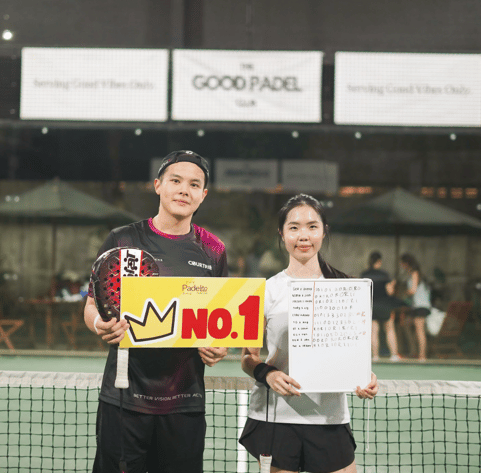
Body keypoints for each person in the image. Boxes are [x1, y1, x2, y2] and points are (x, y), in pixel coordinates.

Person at [83, 150, 229, 473]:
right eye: (175, 181)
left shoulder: (214, 250)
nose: (184, 190)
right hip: (125, 399)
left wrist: (219, 346)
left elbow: (218, 319)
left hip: (185, 402)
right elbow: (92, 305)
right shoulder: (123, 239)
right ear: (158, 185)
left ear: (203, 195)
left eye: (194, 185)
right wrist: (98, 324)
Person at [239, 194, 378, 473]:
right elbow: (247, 357)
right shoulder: (265, 291)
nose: (303, 236)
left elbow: (352, 352)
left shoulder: (347, 288)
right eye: (294, 227)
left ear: (324, 231)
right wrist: (268, 374)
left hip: (329, 417)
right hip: (277, 417)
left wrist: (365, 377)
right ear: (282, 234)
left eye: (312, 226)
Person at [361, 251, 405, 362]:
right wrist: (392, 284)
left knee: (373, 331)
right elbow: (390, 292)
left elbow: (362, 292)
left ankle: (375, 356)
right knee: (389, 329)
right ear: (379, 261)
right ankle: (394, 355)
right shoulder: (384, 275)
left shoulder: (364, 275)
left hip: (372, 305)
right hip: (385, 305)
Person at [399, 253, 431, 361]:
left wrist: (403, 293)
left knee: (420, 330)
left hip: (421, 306)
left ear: (406, 263)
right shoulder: (412, 274)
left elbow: (413, 290)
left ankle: (422, 356)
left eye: (402, 264)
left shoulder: (415, 273)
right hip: (416, 306)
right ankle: (414, 351)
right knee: (406, 324)